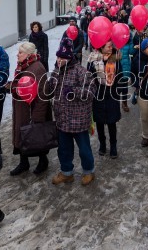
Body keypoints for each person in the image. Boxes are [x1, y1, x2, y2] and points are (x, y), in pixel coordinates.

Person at [47, 38, 97, 186]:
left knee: (84, 149)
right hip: (62, 118)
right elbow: (50, 90)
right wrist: (54, 75)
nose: (59, 60)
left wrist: (73, 92)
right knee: (64, 149)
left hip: (79, 119)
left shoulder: (81, 72)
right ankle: (66, 172)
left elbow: (91, 91)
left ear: (69, 58)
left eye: (62, 57)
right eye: (58, 57)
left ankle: (88, 171)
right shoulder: (57, 71)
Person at [7, 42, 52, 176]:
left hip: (32, 110)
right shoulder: (23, 65)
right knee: (22, 135)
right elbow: (21, 84)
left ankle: (43, 161)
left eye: (20, 52)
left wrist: (38, 116)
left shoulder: (37, 68)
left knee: (35, 136)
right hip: (22, 108)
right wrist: (9, 86)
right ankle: (23, 162)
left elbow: (43, 94)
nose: (17, 55)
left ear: (28, 54)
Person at [87, 41, 127, 158]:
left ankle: (113, 146)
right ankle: (102, 144)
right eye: (108, 46)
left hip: (112, 95)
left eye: (112, 46)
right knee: (99, 122)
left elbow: (120, 77)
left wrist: (122, 93)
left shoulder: (116, 59)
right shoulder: (93, 59)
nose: (111, 48)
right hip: (98, 95)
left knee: (111, 122)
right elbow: (89, 76)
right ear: (101, 47)